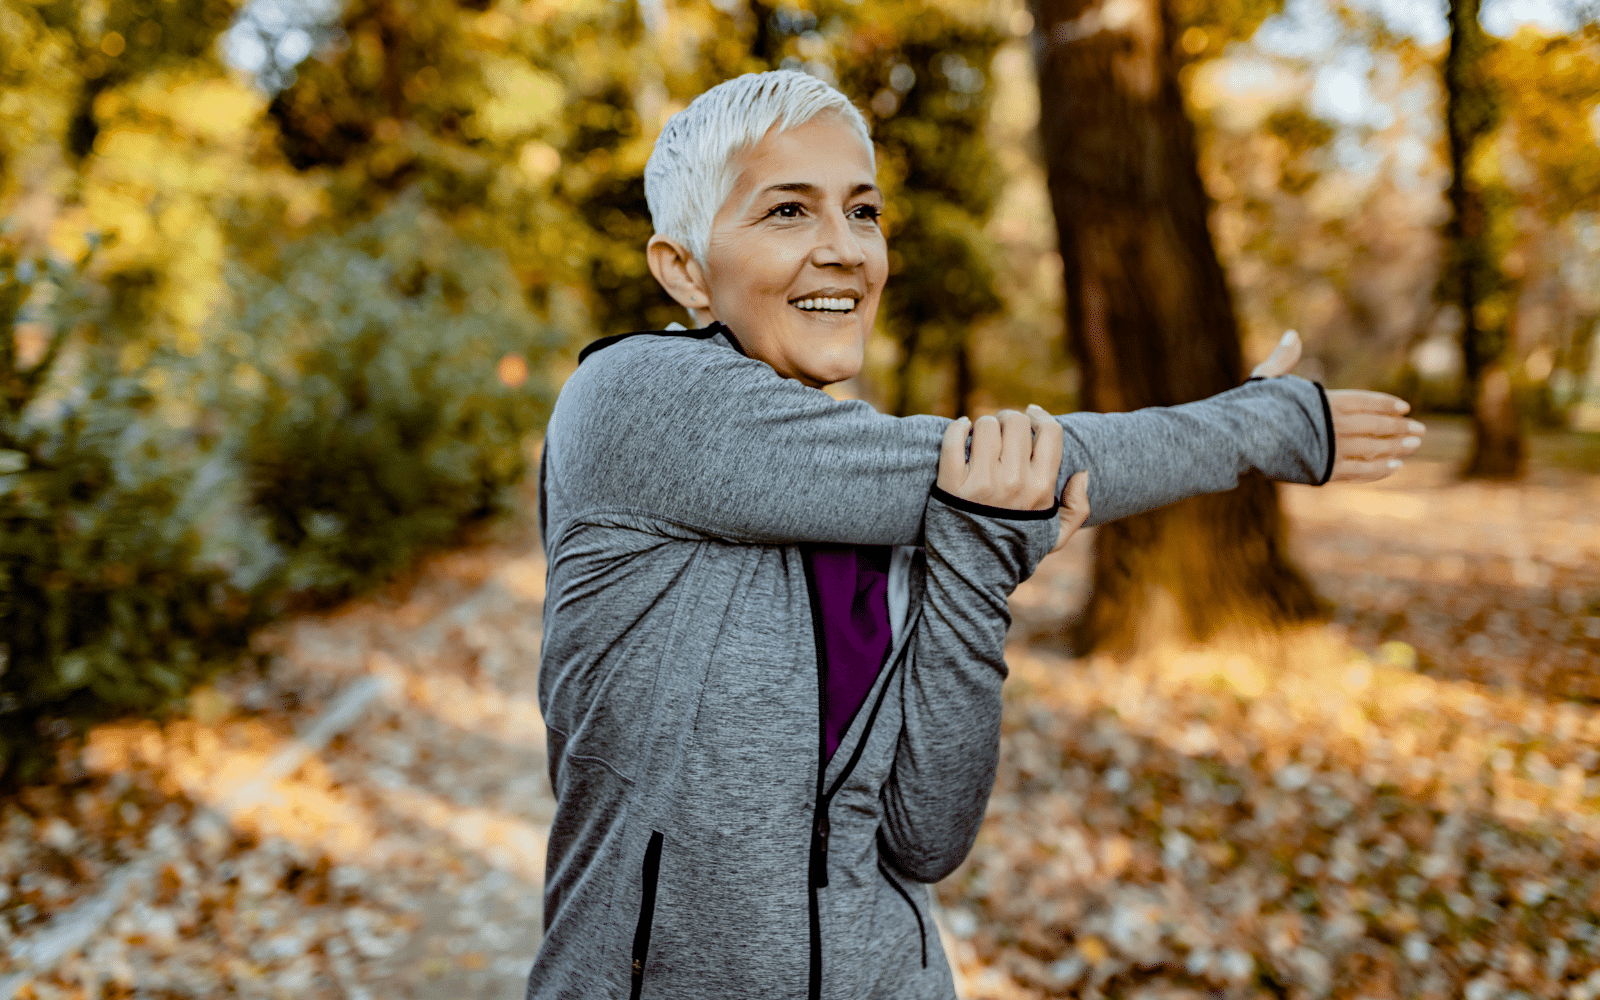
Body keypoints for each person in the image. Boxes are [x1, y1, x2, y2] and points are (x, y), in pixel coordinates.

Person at [529, 70, 1423, 1000]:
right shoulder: (636, 398)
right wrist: (1265, 425)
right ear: (683, 269)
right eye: (788, 212)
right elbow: (1036, 457)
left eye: (863, 211)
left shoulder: (891, 509)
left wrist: (975, 559)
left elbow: (926, 838)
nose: (845, 249)